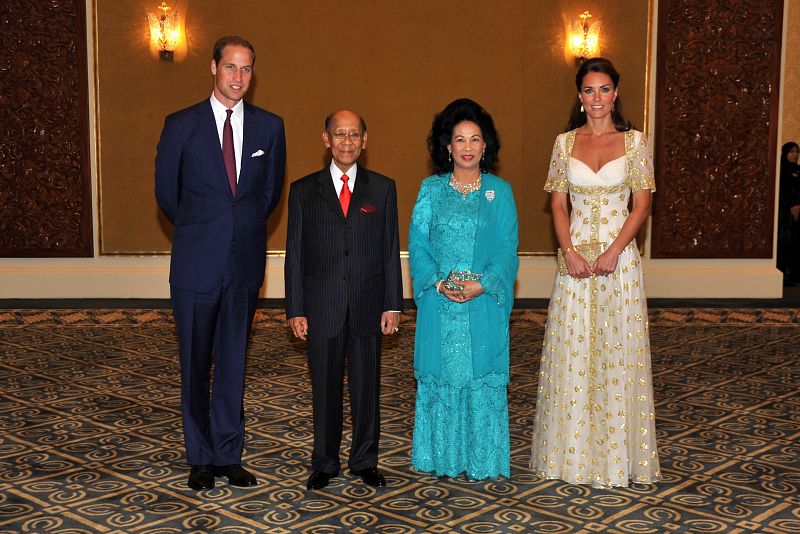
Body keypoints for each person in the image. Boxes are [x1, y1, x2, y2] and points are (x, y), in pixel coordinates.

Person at [155, 36, 286, 491]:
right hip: (195, 265)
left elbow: (268, 197)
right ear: (213, 68)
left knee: (233, 363)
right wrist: (202, 232)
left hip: (244, 266)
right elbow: (167, 197)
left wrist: (236, 232)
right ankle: (200, 457)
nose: (238, 77)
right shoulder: (180, 125)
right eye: (230, 67)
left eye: (246, 69)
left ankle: (229, 454)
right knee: (194, 362)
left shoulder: (270, 128)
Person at [530, 58, 660, 488]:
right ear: (579, 95)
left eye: (605, 89)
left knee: (617, 349)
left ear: (616, 93)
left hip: (619, 263)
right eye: (589, 90)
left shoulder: (636, 143)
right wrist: (568, 251)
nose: (597, 98)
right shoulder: (564, 144)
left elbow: (641, 205)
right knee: (575, 349)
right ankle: (572, 454)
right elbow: (557, 204)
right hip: (575, 262)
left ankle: (615, 458)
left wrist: (616, 251)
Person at [285, 110, 403, 491]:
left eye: (354, 134)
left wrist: (393, 303)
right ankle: (325, 462)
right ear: (326, 139)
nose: (347, 141)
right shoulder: (304, 191)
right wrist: (296, 308)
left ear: (365, 140)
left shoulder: (383, 189)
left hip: (369, 305)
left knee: (367, 389)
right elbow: (295, 254)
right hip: (322, 306)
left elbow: (389, 250)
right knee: (324, 390)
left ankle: (365, 460)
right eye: (340, 134)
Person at [409, 98, 519, 480]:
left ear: (485, 145)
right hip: (441, 304)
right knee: (444, 375)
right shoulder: (431, 189)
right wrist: (437, 284)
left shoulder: (500, 192)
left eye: (475, 139)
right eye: (460, 140)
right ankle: (443, 456)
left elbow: (507, 250)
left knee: (480, 374)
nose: (468, 147)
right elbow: (418, 244)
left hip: (482, 301)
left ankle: (482, 460)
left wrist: (483, 284)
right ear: (448, 146)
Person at [777, 141, 800, 286]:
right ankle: (783, 275)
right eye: (791, 151)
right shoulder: (779, 171)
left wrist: (799, 206)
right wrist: (791, 207)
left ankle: (795, 277)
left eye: (797, 151)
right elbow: (781, 192)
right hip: (784, 215)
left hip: (799, 212)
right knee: (785, 242)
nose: (795, 154)